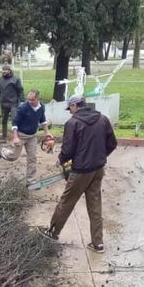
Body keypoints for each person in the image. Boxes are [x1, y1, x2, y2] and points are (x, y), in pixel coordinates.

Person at [44, 95, 117, 252]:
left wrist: (61, 159)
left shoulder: (73, 123)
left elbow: (68, 149)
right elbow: (112, 143)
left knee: (67, 202)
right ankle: (98, 243)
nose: (70, 112)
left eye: (70, 108)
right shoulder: (102, 119)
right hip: (98, 169)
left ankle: (52, 232)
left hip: (81, 171)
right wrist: (100, 156)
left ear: (75, 105)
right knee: (95, 205)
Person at [0, 90, 51, 182]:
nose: (30, 101)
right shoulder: (23, 108)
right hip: (21, 135)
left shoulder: (41, 107)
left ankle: (31, 180)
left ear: (38, 98)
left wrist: (47, 132)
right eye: (29, 99)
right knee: (13, 156)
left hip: (32, 136)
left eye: (32, 100)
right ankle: (2, 152)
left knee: (32, 158)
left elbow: (43, 120)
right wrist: (15, 137)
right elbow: (14, 122)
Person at [0, 65, 23, 142]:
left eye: (6, 70)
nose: (4, 71)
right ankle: (4, 137)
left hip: (13, 103)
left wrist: (22, 101)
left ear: (9, 71)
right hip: (3, 104)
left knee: (14, 119)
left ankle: (17, 136)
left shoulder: (16, 79)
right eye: (3, 70)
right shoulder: (0, 80)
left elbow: (20, 91)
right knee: (4, 120)